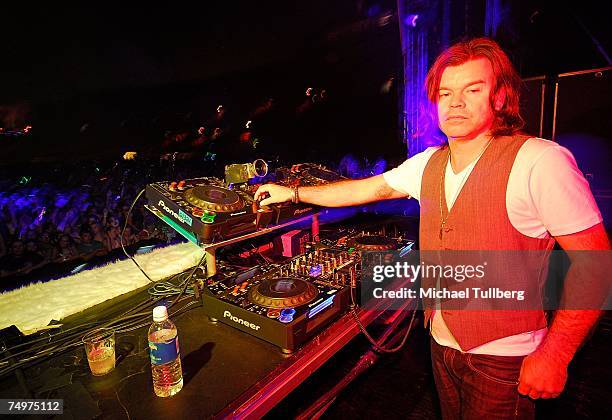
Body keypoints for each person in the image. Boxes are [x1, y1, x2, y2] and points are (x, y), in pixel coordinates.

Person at [255, 37, 609, 419]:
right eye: (446, 93)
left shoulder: (541, 161)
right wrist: (292, 192)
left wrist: (555, 355)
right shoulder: (428, 163)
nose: (455, 102)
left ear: (501, 98)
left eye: (473, 90)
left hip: (505, 356)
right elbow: (364, 189)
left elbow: (596, 264)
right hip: (441, 343)